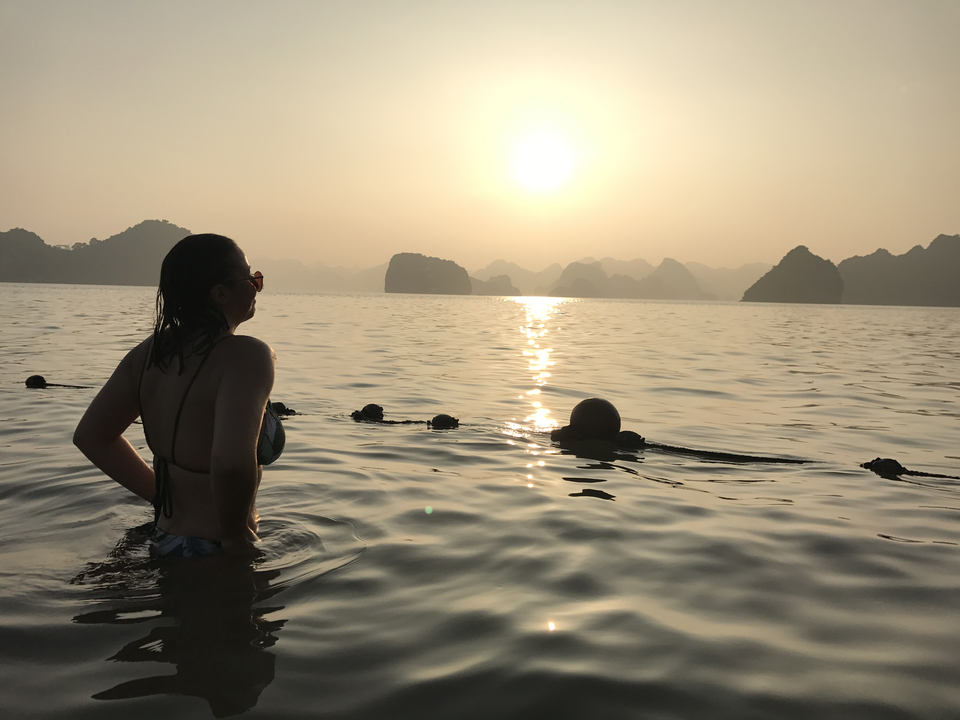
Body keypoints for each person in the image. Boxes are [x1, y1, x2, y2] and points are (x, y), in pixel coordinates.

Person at [74, 234, 283, 557]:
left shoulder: (149, 354)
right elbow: (229, 463)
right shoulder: (248, 357)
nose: (257, 286)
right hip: (217, 548)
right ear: (220, 293)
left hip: (164, 539)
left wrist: (160, 496)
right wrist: (235, 539)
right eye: (251, 278)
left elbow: (92, 436)